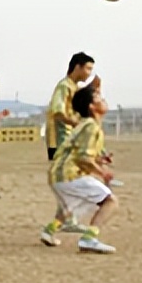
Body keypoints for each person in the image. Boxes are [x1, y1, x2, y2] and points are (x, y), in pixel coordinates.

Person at [45, 84, 117, 253]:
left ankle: (48, 231)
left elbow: (79, 154)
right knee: (110, 201)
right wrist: (103, 173)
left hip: (59, 174)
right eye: (99, 98)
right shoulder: (91, 127)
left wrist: (98, 160)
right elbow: (83, 158)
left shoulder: (86, 125)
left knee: (74, 206)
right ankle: (89, 239)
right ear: (92, 107)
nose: (104, 100)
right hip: (68, 175)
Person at [41, 52, 96, 243]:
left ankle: (67, 219)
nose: (89, 72)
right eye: (87, 68)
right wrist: (77, 124)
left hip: (68, 139)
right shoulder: (64, 86)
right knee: (67, 178)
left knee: (70, 177)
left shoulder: (73, 88)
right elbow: (57, 112)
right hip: (60, 139)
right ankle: (66, 220)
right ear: (77, 67)